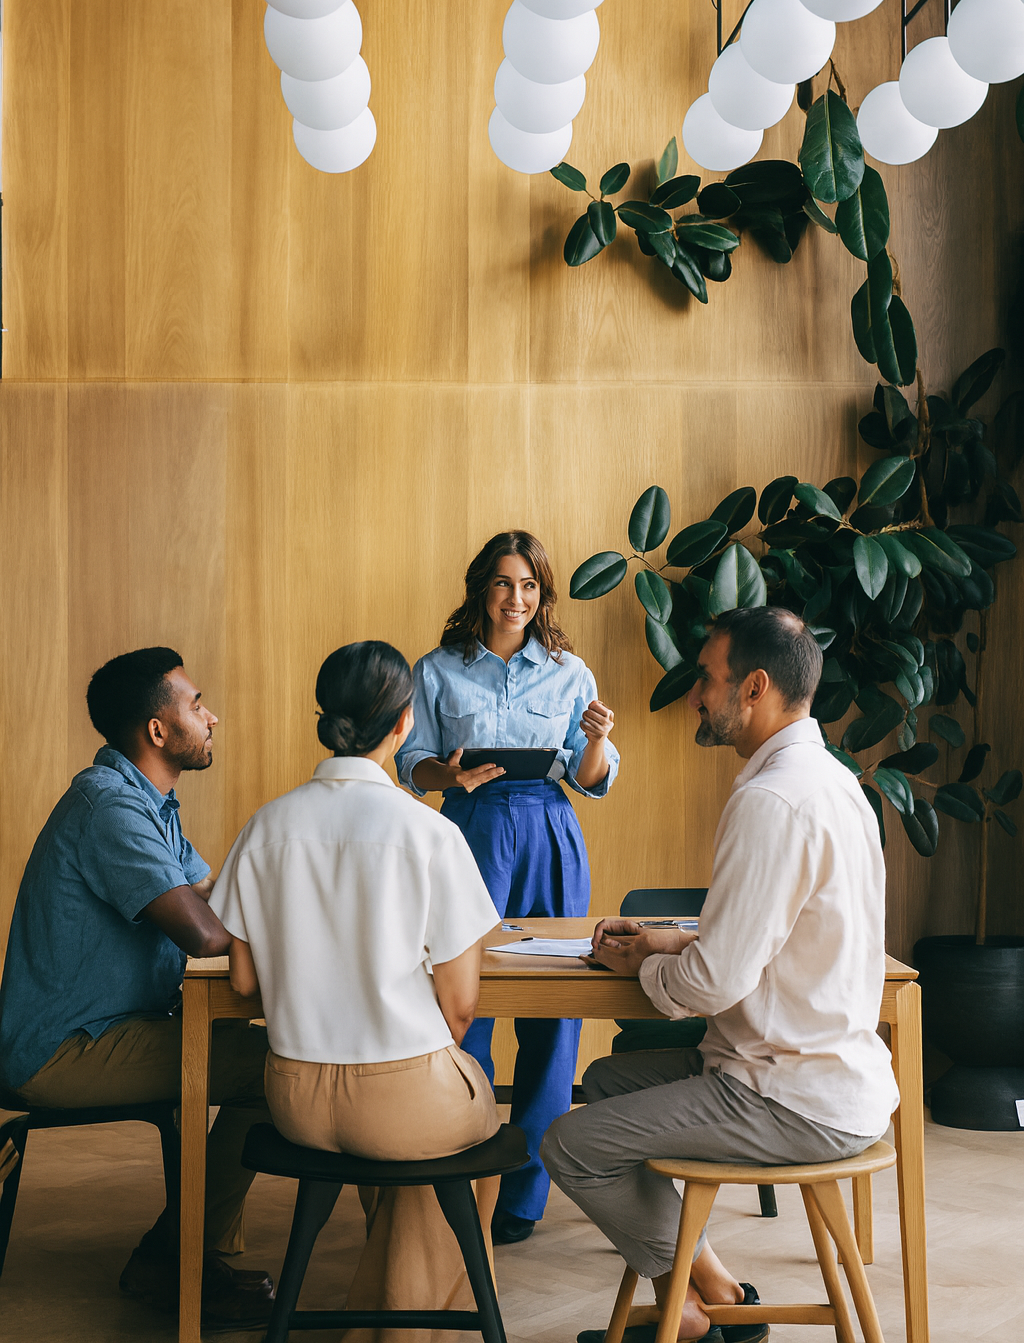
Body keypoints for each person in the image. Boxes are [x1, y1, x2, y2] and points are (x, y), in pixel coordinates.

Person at [541, 606, 900, 1343]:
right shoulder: (834, 784)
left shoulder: (769, 799)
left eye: (707, 680)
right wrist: (672, 939)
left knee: (568, 1143)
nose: (696, 695)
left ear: (754, 688)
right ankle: (713, 1294)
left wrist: (646, 964)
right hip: (830, 1073)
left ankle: (700, 1307)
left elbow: (711, 988)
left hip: (789, 1095)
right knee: (608, 1082)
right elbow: (774, 931)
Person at [209, 641, 503, 1333]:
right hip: (403, 1100)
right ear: (405, 725)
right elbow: (459, 1010)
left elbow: (244, 981)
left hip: (294, 1101)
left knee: (409, 1139)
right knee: (461, 1128)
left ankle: (379, 1312)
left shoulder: (264, 827)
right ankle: (393, 1326)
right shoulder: (428, 832)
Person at [0, 647, 274, 1330]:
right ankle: (172, 1260)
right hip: (65, 1051)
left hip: (107, 1031)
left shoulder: (146, 803)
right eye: (196, 704)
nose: (211, 718)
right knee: (280, 1069)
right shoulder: (111, 810)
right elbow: (206, 936)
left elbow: (213, 896)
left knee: (264, 1051)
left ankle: (183, 1251)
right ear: (158, 731)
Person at [396, 529, 619, 1245]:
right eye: (501, 583)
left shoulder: (569, 671)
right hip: (467, 831)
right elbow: (410, 763)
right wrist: (448, 775)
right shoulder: (436, 669)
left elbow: (593, 783)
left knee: (555, 1016)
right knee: (467, 1006)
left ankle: (523, 1196)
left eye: (528, 586)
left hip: (551, 831)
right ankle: (466, 1173)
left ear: (543, 594)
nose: (514, 598)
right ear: (479, 589)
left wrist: (595, 743)